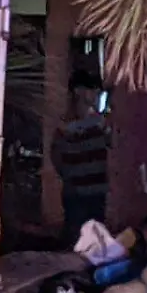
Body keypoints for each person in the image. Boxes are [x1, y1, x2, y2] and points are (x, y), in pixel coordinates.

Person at [51, 71, 111, 245]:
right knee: (76, 242)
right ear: (78, 91)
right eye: (93, 90)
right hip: (77, 195)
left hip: (96, 193)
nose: (97, 95)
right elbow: (57, 157)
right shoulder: (66, 126)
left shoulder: (100, 123)